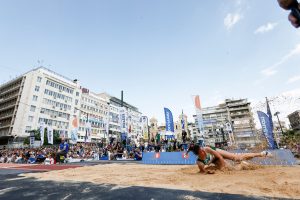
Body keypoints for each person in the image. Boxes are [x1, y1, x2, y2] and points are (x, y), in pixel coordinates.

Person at [188, 145, 272, 174]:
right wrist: (208, 171)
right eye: (201, 151)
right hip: (213, 161)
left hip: (217, 153)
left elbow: (219, 157)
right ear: (198, 153)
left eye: (202, 149)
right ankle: (242, 164)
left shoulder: (206, 149)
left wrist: (223, 166)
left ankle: (261, 154)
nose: (203, 150)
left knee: (236, 158)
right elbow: (203, 171)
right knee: (233, 169)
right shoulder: (199, 163)